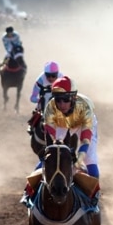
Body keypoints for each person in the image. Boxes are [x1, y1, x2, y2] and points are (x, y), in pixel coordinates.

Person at [20, 76, 100, 206]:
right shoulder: (50, 109)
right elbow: (50, 139)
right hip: (61, 124)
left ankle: (94, 198)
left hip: (82, 125)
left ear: (73, 98)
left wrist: (78, 161)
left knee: (90, 159)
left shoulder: (85, 109)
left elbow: (85, 140)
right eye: (58, 100)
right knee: (49, 156)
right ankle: (28, 191)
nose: (61, 104)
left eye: (65, 99)